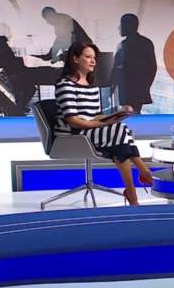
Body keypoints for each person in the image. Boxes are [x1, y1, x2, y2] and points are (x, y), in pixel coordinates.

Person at [54, 42, 153, 206]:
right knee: (119, 132)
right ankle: (142, 173)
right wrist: (100, 125)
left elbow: (95, 116)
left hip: (90, 130)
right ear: (75, 59)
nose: (93, 61)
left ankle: (132, 190)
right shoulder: (65, 84)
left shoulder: (92, 86)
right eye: (88, 57)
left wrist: (116, 115)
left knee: (120, 130)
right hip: (72, 134)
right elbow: (73, 120)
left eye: (94, 57)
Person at [111, 14, 157, 113]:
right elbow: (152, 69)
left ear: (128, 25)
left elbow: (116, 69)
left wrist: (111, 88)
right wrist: (144, 87)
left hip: (129, 91)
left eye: (122, 24)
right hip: (136, 91)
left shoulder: (124, 45)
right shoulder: (145, 43)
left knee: (129, 115)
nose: (119, 27)